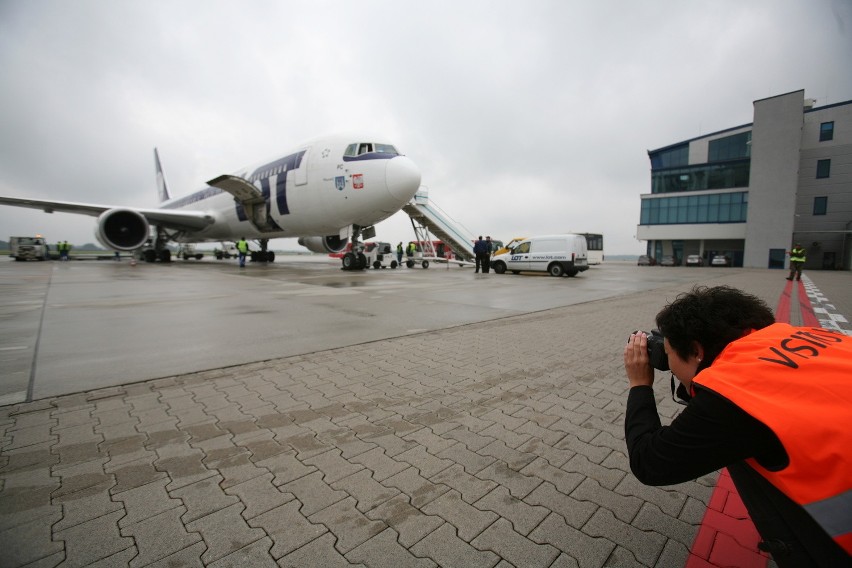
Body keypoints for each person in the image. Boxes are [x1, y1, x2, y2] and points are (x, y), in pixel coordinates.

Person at [623, 285, 852, 567]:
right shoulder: (806, 335)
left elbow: (649, 461)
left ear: (696, 350)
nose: (668, 362)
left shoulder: (737, 394)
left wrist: (639, 384)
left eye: (669, 354)